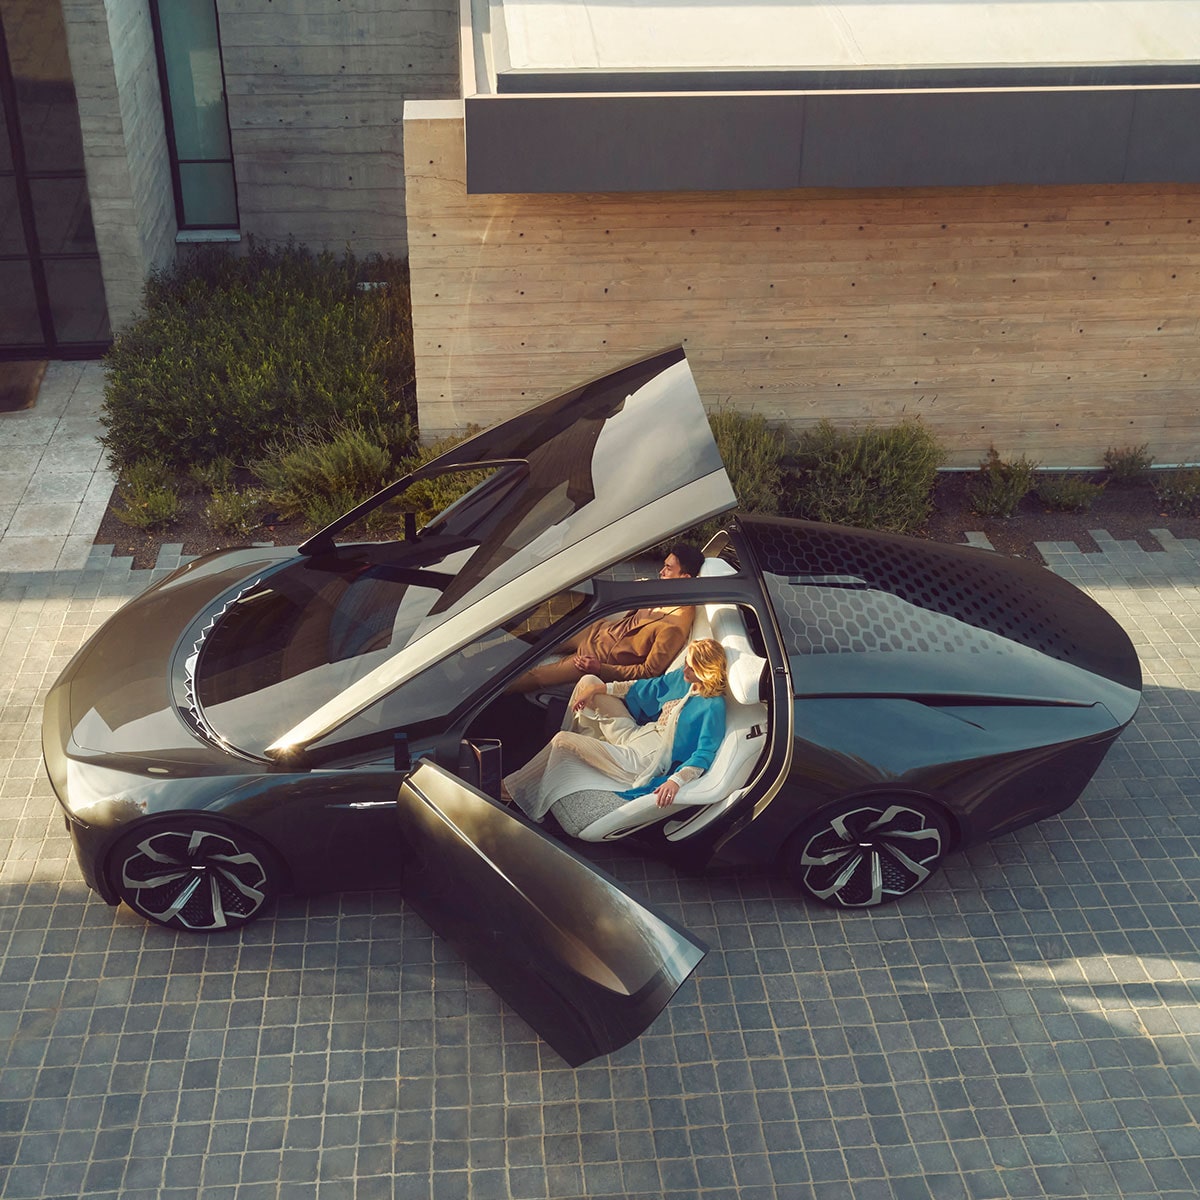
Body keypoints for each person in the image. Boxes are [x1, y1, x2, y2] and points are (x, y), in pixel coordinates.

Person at [503, 638, 728, 825]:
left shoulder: (713, 706)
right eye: (686, 664)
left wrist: (676, 781)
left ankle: (511, 790)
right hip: (636, 734)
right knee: (588, 682)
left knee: (563, 741)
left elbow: (704, 754)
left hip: (644, 760)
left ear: (705, 672)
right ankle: (564, 751)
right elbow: (647, 686)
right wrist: (602, 688)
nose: (685, 669)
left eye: (691, 668)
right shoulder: (684, 679)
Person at [508, 543, 705, 693]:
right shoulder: (663, 589)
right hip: (597, 630)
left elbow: (648, 672)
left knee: (537, 676)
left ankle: (486, 691)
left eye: (668, 568)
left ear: (685, 578)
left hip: (598, 658)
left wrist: (600, 669)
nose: (661, 572)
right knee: (538, 638)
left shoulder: (675, 627)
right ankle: (493, 659)